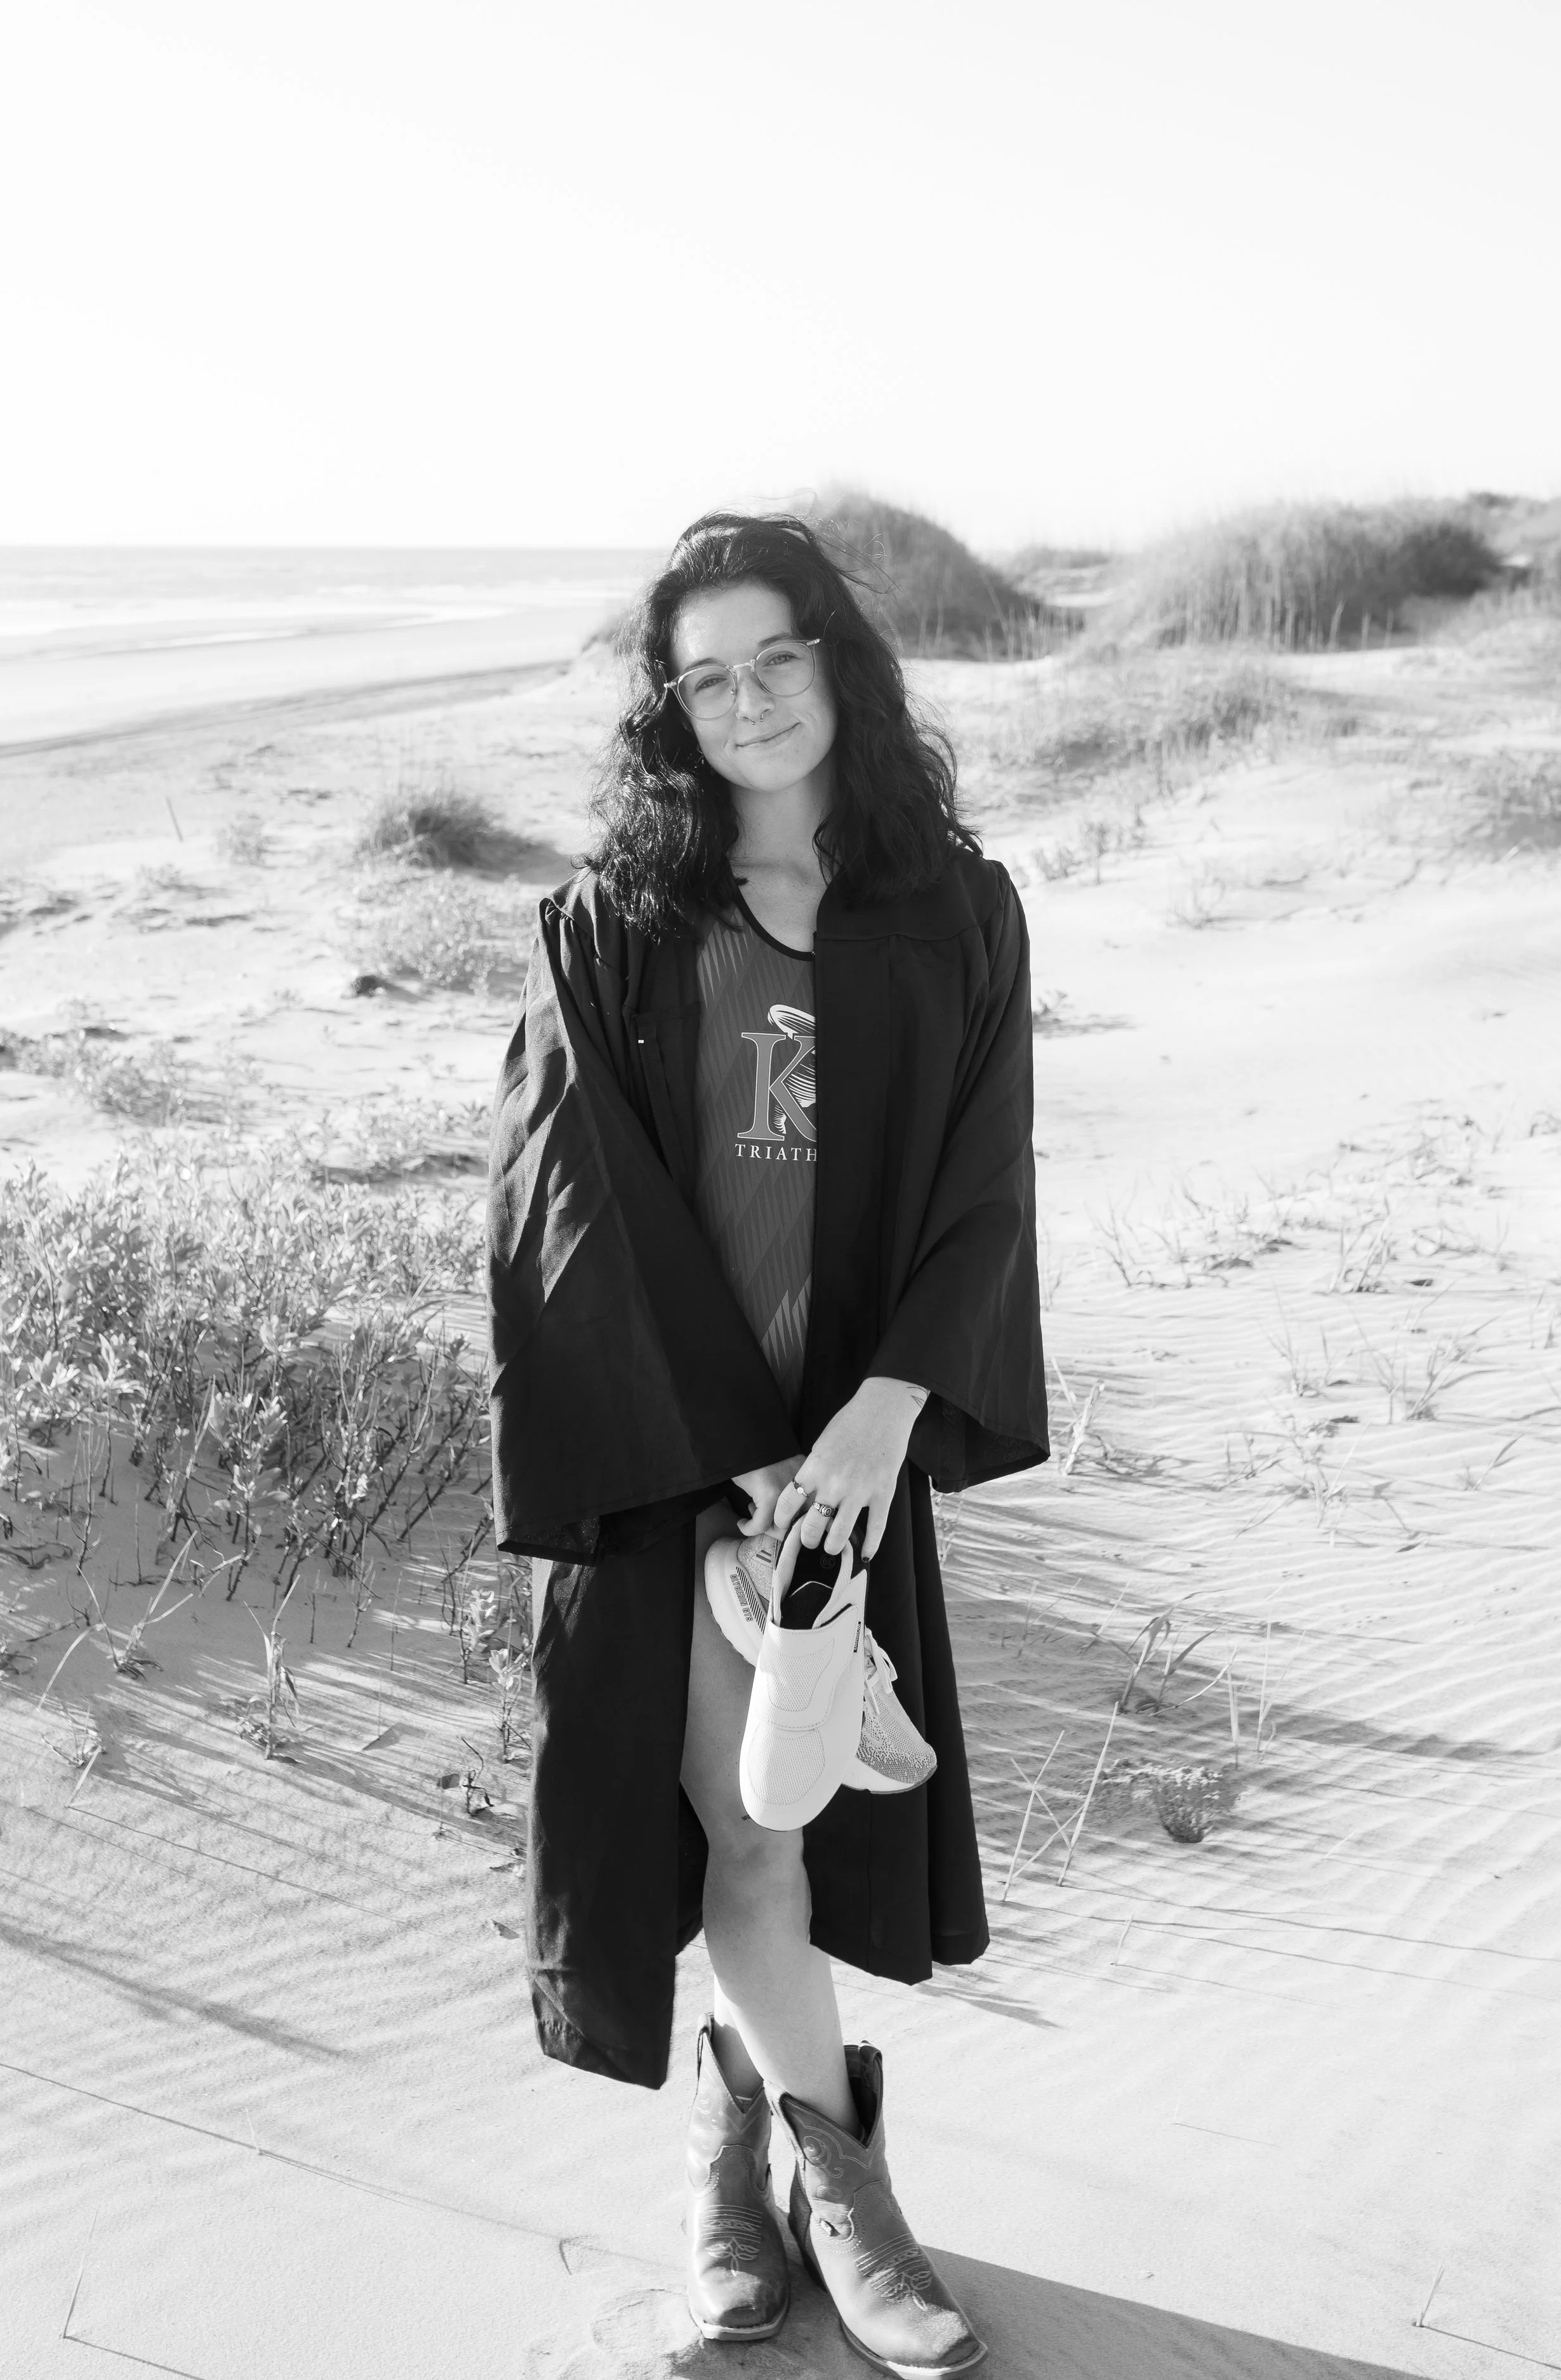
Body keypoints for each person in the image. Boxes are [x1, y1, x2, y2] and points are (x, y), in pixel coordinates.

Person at [487, 512, 1047, 2376]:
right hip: (678, 1465)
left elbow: (982, 1192)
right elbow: (575, 1216)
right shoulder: (614, 926)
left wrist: (880, 1416)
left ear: (838, 661)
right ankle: (816, 2193)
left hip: (850, 1462)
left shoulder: (954, 908)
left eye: (775, 657)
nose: (744, 702)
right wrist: (739, 1472)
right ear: (669, 709)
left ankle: (774, 2156)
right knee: (741, 1837)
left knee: (777, 1827)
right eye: (702, 676)